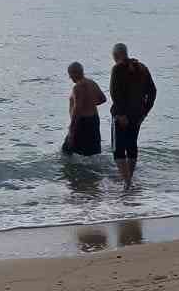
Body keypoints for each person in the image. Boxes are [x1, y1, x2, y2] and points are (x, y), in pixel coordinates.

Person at [108, 43, 157, 188]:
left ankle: (127, 181)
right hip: (137, 115)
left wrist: (121, 114)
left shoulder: (117, 69)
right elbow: (153, 91)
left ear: (116, 55)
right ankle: (128, 179)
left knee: (118, 149)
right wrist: (145, 112)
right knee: (131, 146)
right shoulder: (142, 68)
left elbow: (114, 93)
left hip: (121, 116)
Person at [62, 62, 107, 156]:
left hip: (81, 122)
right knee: (92, 152)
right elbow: (103, 99)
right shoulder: (92, 83)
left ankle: (73, 170)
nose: (70, 78)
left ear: (75, 73)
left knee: (67, 151)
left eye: (70, 74)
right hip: (94, 120)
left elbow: (77, 109)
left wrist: (71, 129)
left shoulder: (77, 87)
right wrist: (89, 104)